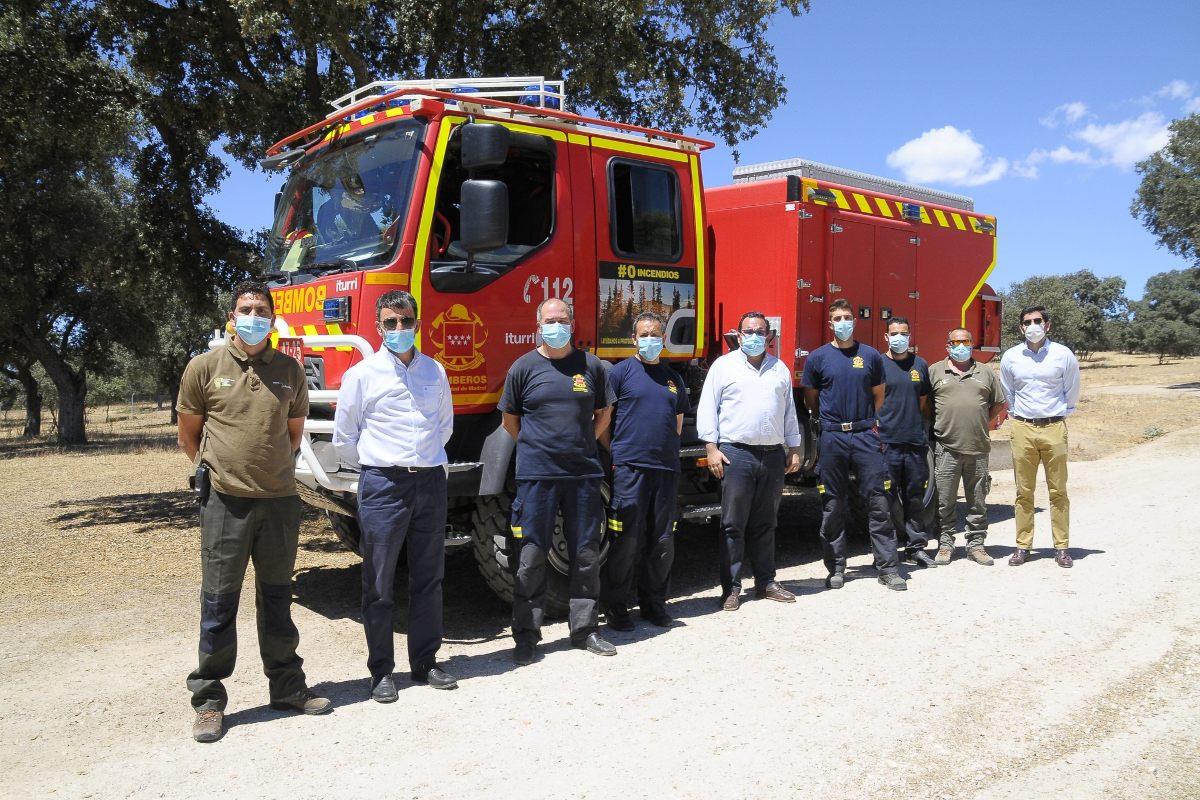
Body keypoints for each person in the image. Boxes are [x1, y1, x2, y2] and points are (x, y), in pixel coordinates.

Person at [176, 281, 331, 744]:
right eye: (245, 309)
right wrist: (220, 473)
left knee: (278, 597)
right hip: (225, 502)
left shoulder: (289, 370)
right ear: (232, 315)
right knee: (219, 602)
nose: (253, 316)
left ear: (273, 316)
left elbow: (294, 433)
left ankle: (287, 688)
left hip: (280, 501)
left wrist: (270, 473)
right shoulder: (204, 368)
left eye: (261, 309)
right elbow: (189, 435)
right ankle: (208, 700)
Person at [333, 290, 458, 703]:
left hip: (429, 483)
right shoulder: (362, 375)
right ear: (378, 327)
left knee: (429, 576)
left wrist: (421, 462)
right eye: (391, 322)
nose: (399, 329)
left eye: (406, 321)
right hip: (384, 485)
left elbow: (444, 427)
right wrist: (382, 464)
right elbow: (345, 438)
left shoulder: (435, 372)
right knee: (380, 581)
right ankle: (381, 671)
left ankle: (425, 663)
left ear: (417, 324)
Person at [499, 298, 616, 664]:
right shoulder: (523, 367)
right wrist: (540, 450)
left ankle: (584, 630)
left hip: (582, 475)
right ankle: (527, 635)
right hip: (537, 477)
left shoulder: (592, 366)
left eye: (562, 319)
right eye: (550, 320)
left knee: (585, 553)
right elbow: (510, 422)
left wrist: (578, 446)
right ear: (538, 323)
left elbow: (604, 413)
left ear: (572, 322)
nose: (556, 325)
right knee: (532, 555)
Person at [697, 311, 802, 611]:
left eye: (760, 331)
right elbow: (708, 407)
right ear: (738, 335)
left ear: (769, 336)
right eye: (748, 331)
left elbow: (789, 412)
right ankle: (731, 588)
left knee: (766, 522)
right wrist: (711, 448)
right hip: (736, 455)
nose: (754, 336)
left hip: (771, 455)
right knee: (733, 524)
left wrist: (793, 446)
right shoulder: (723, 366)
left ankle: (766, 582)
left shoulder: (779, 368)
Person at [801, 300, 905, 591]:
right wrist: (831, 422)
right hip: (832, 436)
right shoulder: (818, 358)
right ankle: (835, 568)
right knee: (832, 504)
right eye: (837, 317)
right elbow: (812, 399)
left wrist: (863, 423)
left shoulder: (870, 356)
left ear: (854, 321)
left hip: (864, 436)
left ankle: (888, 568)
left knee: (878, 501)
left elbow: (878, 395)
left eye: (847, 317)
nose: (843, 321)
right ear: (829, 323)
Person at [599, 312, 691, 630]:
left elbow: (677, 425)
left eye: (656, 334)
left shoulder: (673, 379)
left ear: (663, 339)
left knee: (661, 541)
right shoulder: (620, 373)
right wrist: (619, 452)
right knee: (626, 539)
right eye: (644, 334)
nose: (651, 339)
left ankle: (653, 605)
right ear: (634, 339)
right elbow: (602, 421)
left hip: (665, 470)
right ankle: (616, 608)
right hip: (630, 470)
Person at [1000, 306, 1080, 568]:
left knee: (1058, 490)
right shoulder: (1011, 357)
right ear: (1021, 327)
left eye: (1038, 321)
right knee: (1024, 491)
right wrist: (1019, 416)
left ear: (1048, 325)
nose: (1032, 325)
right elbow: (1008, 392)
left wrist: (1058, 415)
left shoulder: (1063, 355)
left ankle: (1062, 547)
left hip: (1054, 427)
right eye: (1027, 322)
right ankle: (1023, 546)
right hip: (1023, 428)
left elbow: (1071, 390)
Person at [928, 328, 1007, 565]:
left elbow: (997, 404)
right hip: (946, 448)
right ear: (947, 346)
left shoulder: (985, 372)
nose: (960, 346)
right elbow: (926, 405)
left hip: (978, 447)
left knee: (978, 500)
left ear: (972, 345)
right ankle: (945, 544)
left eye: (965, 341)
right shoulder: (934, 371)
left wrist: (980, 422)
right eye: (955, 342)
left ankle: (976, 544)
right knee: (945, 501)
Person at [877, 317, 936, 568]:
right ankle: (887, 553)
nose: (899, 337)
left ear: (910, 336)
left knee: (914, 497)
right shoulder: (877, 363)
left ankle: (916, 547)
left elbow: (923, 401)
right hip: (885, 443)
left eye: (903, 333)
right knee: (884, 500)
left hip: (913, 442)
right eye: (894, 333)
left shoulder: (920, 365)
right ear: (886, 337)